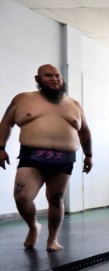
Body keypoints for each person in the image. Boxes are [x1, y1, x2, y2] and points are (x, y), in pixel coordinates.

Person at [0, 64, 93, 251]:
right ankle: (34, 226)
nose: (55, 79)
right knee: (22, 197)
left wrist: (89, 155)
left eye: (57, 76)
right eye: (48, 76)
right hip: (32, 157)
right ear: (38, 79)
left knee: (56, 199)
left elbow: (84, 131)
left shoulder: (74, 104)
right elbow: (6, 123)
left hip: (64, 160)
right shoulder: (23, 99)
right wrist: (1, 148)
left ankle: (52, 239)